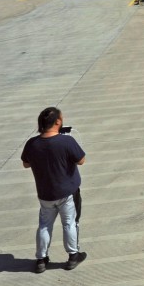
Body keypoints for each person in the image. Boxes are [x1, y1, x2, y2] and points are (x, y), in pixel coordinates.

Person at [21, 106, 87, 273]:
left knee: (44, 225)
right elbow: (81, 160)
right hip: (67, 194)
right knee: (69, 223)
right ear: (58, 122)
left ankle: (41, 259)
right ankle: (73, 255)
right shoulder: (66, 141)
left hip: (45, 194)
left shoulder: (32, 144)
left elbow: (25, 163)